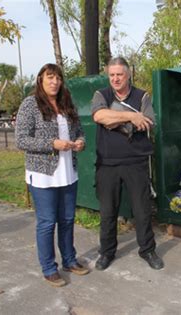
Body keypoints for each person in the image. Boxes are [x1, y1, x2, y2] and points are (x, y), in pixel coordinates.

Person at [15, 63, 89, 287]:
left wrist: (80, 142)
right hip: (43, 175)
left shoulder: (66, 103)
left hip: (68, 172)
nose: (54, 82)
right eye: (50, 77)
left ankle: (69, 260)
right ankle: (49, 268)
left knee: (67, 220)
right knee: (47, 223)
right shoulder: (30, 104)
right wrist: (52, 144)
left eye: (58, 78)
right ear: (40, 79)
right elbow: (21, 140)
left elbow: (80, 131)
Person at [91, 56, 164, 271]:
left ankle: (148, 250)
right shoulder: (100, 94)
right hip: (107, 163)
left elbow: (148, 121)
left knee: (142, 211)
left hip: (136, 162)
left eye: (119, 74)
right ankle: (106, 253)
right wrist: (132, 117)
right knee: (107, 212)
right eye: (112, 75)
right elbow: (100, 116)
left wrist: (117, 118)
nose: (115, 79)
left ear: (128, 74)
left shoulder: (142, 96)